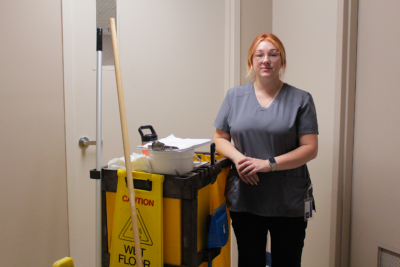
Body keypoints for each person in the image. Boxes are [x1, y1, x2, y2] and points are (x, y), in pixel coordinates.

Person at [213, 33, 318, 267]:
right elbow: (220, 138)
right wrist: (240, 160)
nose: (266, 60)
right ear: (251, 62)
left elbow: (310, 149)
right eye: (259, 55)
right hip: (247, 199)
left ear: (282, 61)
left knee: (287, 262)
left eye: (273, 54)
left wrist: (267, 164)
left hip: (287, 201)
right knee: (250, 261)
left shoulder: (301, 99)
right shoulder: (234, 96)